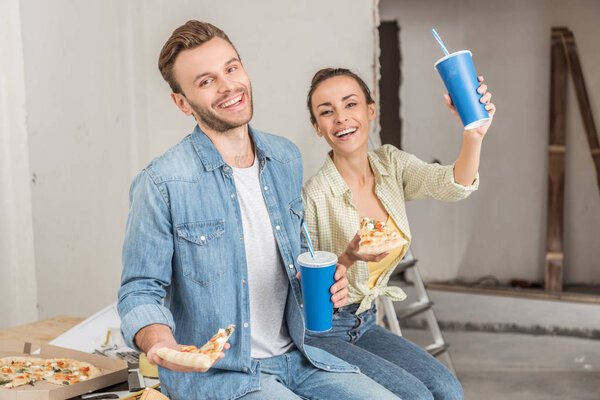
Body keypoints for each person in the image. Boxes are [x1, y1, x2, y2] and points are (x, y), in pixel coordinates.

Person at [117, 22, 401, 400]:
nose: (228, 86)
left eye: (232, 68)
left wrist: (336, 274)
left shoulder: (285, 158)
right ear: (182, 102)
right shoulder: (162, 182)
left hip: (300, 357)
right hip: (222, 376)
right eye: (206, 81)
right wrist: (159, 342)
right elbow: (139, 290)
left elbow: (293, 260)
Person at [302, 67, 496, 400]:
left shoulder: (390, 164)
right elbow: (302, 290)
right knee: (416, 396)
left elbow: (452, 185)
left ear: (370, 110)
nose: (341, 118)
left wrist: (473, 135)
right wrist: (348, 258)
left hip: (366, 322)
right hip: (324, 333)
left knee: (448, 389)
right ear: (317, 127)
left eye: (350, 104)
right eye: (326, 112)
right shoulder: (314, 196)